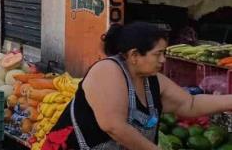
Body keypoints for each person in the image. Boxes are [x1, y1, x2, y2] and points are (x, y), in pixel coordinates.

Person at [41, 23, 232, 149]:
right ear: (134, 55)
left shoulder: (152, 80)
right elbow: (113, 126)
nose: (163, 60)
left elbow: (190, 104)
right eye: (157, 54)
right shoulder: (108, 70)